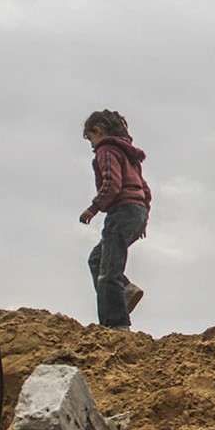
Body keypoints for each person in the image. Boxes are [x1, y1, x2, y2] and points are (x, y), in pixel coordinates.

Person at [79, 110, 150, 330]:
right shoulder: (128, 154)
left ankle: (116, 324)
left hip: (121, 211)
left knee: (108, 271)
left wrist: (94, 207)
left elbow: (112, 183)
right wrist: (143, 218)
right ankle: (125, 290)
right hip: (137, 211)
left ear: (98, 131)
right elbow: (145, 188)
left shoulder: (106, 150)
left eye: (91, 138)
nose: (91, 145)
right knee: (97, 259)